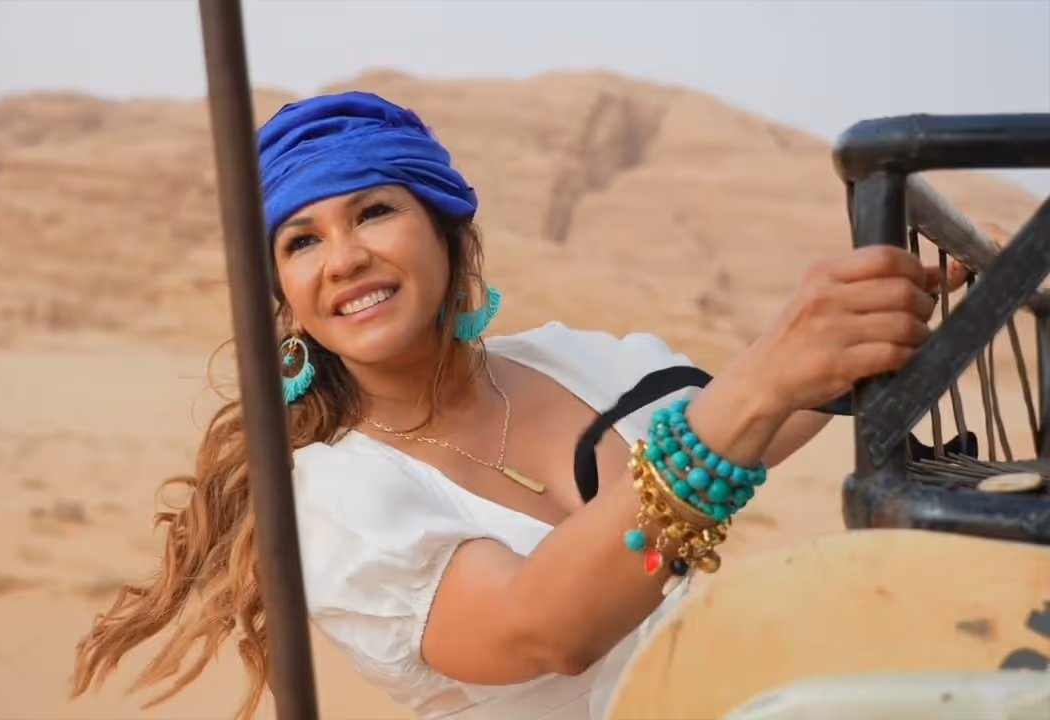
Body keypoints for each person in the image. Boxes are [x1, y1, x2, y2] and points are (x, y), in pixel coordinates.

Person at [68, 91, 951, 719]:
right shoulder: (331, 493)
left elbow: (764, 417)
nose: (343, 258)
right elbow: (542, 630)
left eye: (373, 212)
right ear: (288, 300)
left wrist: (913, 319)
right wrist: (763, 379)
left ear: (448, 234)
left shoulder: (574, 361)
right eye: (302, 241)